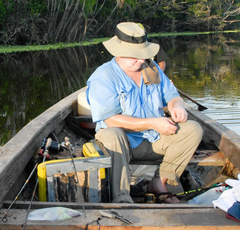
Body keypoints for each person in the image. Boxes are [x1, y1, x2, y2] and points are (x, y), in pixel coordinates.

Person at [86, 22, 203, 204]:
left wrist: (176, 106)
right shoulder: (104, 76)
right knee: (112, 134)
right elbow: (111, 120)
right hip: (121, 144)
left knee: (193, 129)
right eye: (135, 56)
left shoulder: (151, 68)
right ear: (118, 52)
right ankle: (121, 197)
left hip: (154, 139)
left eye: (143, 55)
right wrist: (153, 123)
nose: (141, 61)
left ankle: (160, 181)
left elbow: (172, 96)